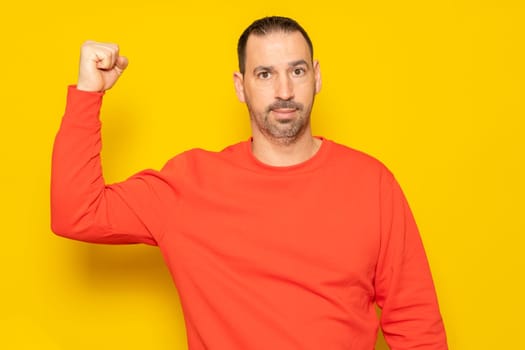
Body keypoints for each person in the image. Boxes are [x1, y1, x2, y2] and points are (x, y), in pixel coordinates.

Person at [51, 16, 447, 350]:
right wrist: (89, 92)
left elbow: (415, 323)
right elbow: (77, 213)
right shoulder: (188, 186)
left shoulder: (371, 183)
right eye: (265, 74)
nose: (285, 91)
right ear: (241, 86)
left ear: (317, 76)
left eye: (297, 70)